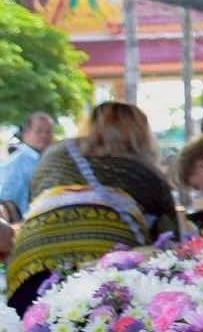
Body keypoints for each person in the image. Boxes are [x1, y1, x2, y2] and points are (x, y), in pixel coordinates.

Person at [10, 102, 178, 311]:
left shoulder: (55, 154)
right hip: (108, 268)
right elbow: (168, 238)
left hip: (32, 261)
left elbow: (36, 201)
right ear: (142, 135)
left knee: (31, 327)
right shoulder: (143, 171)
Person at [0, 113, 55, 214]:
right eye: (39, 131)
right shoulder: (14, 165)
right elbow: (7, 205)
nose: (44, 135)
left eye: (49, 132)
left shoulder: (50, 161)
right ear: (26, 134)